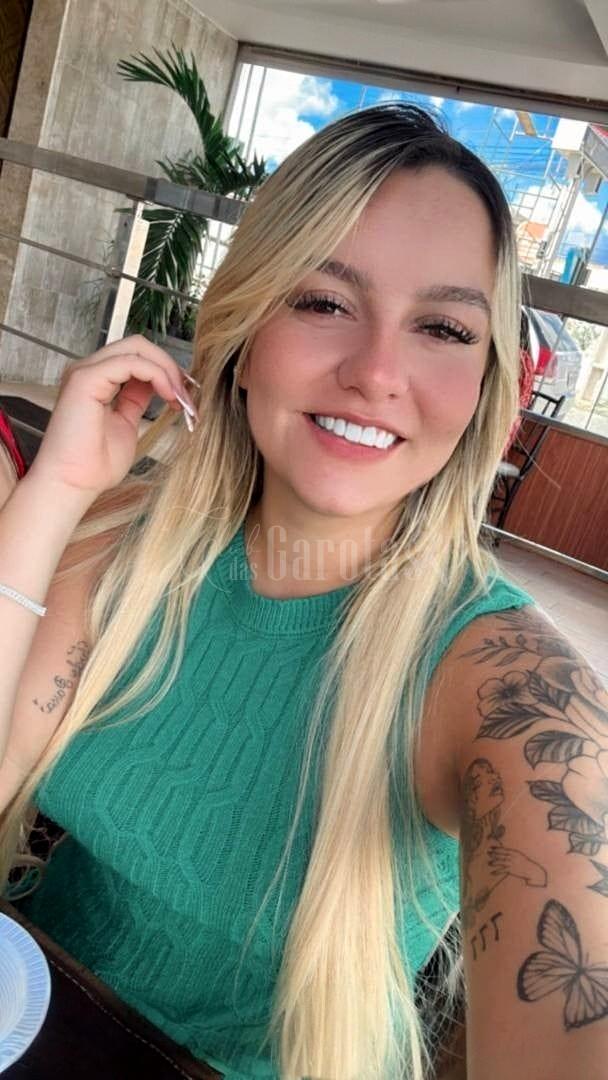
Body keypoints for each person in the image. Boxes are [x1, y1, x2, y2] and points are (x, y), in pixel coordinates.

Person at [0, 104, 605, 1080]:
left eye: (442, 327)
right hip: (37, 1012)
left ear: (483, 389)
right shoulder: (126, 538)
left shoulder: (511, 685)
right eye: (324, 302)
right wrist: (56, 494)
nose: (376, 372)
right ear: (242, 333)